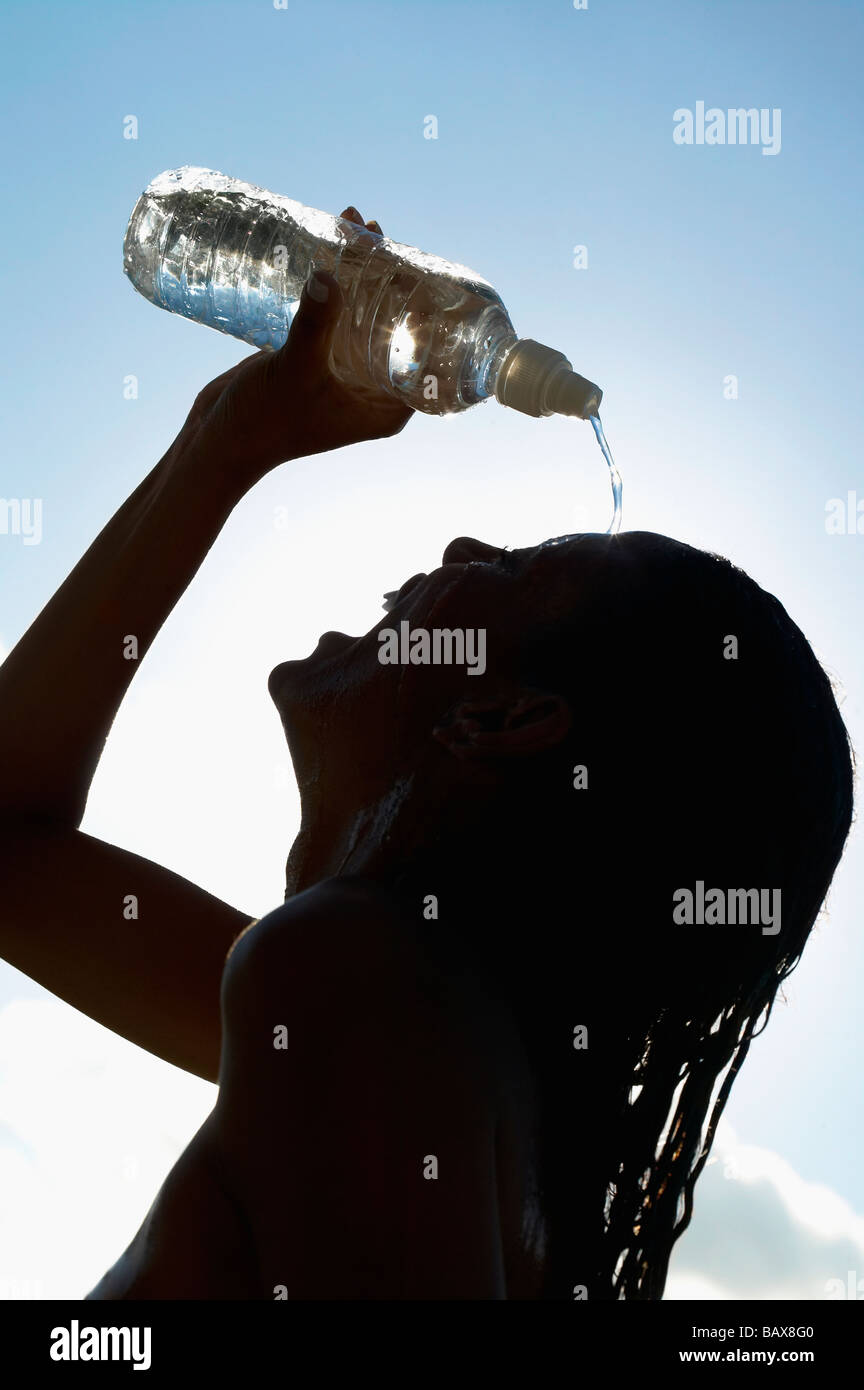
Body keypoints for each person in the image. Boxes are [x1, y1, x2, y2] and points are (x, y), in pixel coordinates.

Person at [0, 209, 853, 1301]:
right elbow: (5, 845)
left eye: (512, 570)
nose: (457, 547)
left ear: (501, 720)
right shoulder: (413, 1039)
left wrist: (223, 455)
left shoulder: (354, 985)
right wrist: (222, 441)